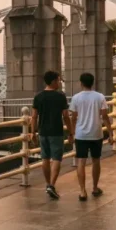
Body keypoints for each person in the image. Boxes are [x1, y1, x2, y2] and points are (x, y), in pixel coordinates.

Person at [69, 72, 113, 201]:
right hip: (96, 133)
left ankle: (82, 191)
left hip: (81, 134)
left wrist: (71, 133)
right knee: (96, 160)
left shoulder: (76, 98)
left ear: (81, 83)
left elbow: (73, 118)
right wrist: (110, 133)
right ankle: (94, 188)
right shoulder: (100, 97)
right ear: (92, 83)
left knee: (81, 162)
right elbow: (105, 117)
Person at [31, 71, 72, 200]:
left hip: (43, 132)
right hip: (56, 131)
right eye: (58, 80)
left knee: (45, 158)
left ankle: (48, 184)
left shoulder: (38, 97)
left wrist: (33, 132)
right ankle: (52, 185)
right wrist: (71, 132)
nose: (59, 82)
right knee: (56, 159)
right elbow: (66, 116)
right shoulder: (60, 96)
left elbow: (34, 116)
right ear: (53, 81)